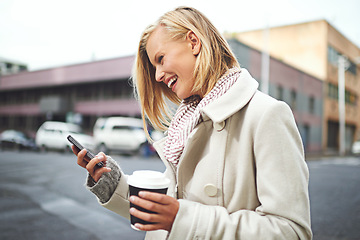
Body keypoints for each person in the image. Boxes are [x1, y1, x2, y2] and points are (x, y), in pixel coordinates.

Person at [72, 6, 312, 240]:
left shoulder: (266, 114)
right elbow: (166, 210)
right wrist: (112, 183)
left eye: (161, 59)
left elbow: (291, 231)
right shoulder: (186, 121)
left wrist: (183, 219)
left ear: (193, 42)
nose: (157, 76)